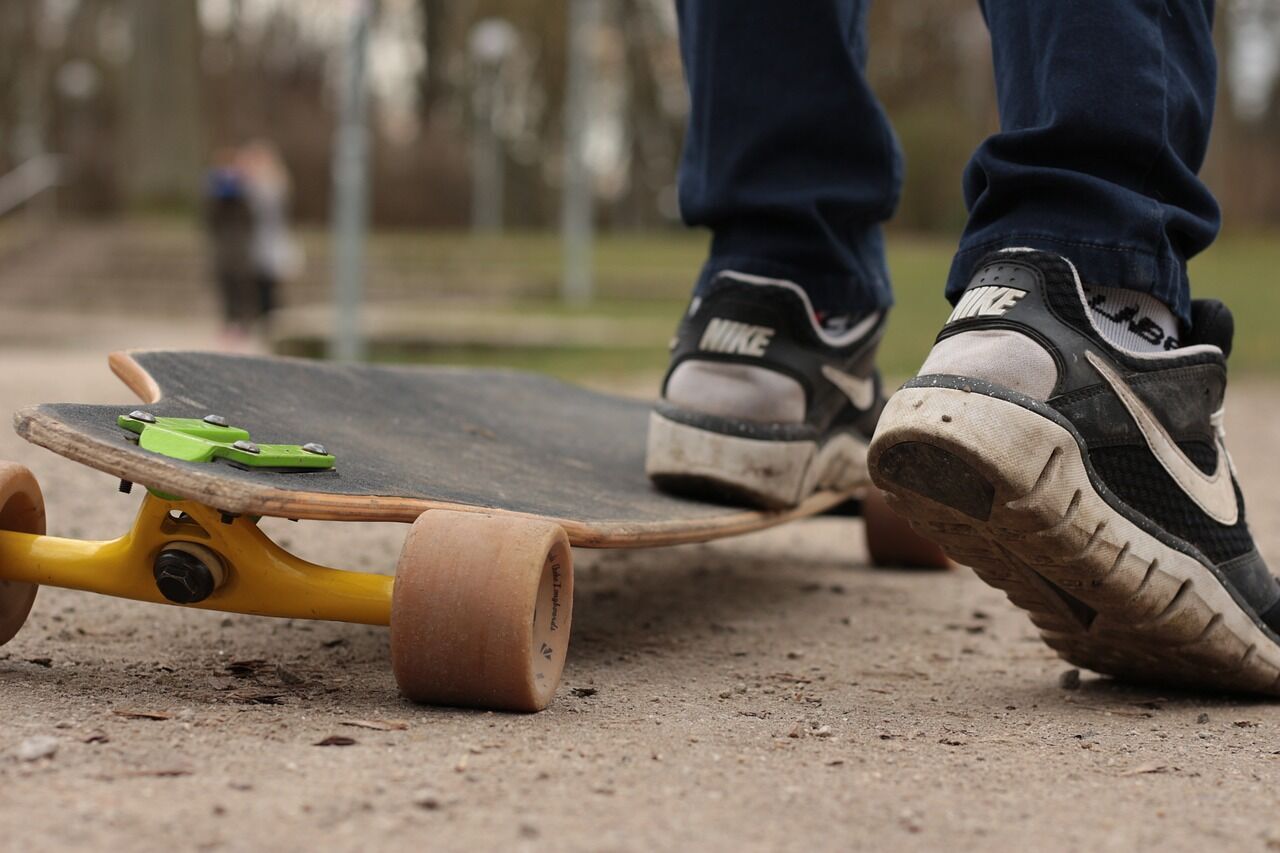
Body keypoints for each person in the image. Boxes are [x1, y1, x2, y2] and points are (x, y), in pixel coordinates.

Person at [646, 1, 1279, 695]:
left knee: (784, 253)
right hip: (1081, 319)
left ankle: (774, 303)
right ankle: (1100, 296)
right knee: (1090, 230)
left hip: (734, 285)